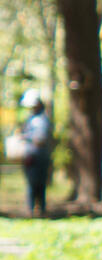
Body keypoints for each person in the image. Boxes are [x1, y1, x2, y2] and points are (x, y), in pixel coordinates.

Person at [17, 89, 52, 217]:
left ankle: (39, 210)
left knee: (38, 184)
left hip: (38, 157)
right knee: (31, 184)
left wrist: (26, 137)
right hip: (31, 156)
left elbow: (40, 139)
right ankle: (32, 209)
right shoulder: (31, 118)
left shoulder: (41, 120)